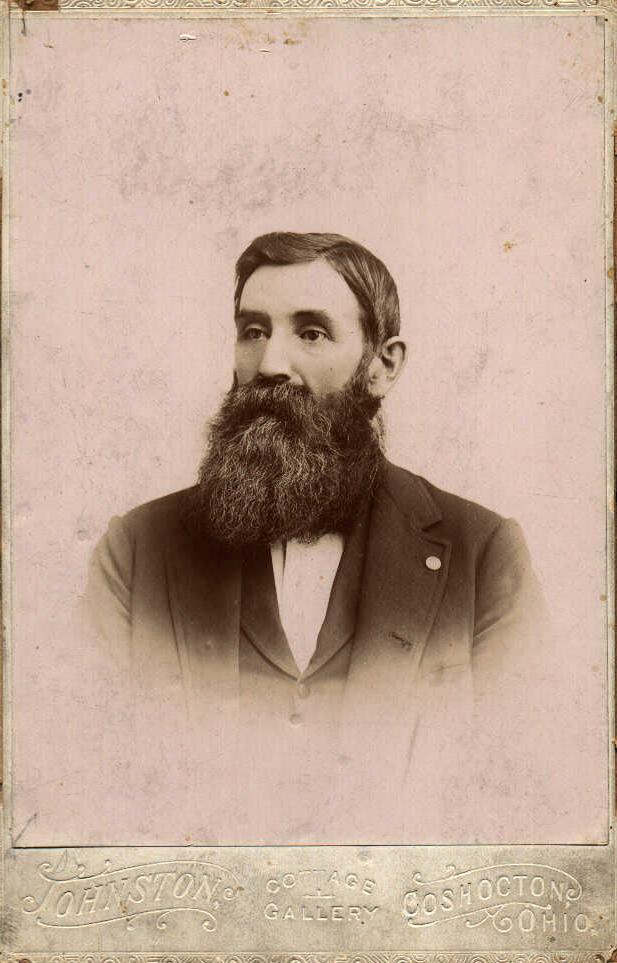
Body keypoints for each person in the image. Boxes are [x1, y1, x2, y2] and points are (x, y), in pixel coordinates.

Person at [87, 232, 550, 843]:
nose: (270, 365)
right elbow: (93, 781)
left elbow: (518, 793)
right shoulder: (136, 550)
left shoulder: (482, 555)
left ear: (383, 366)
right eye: (253, 331)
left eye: (310, 333)